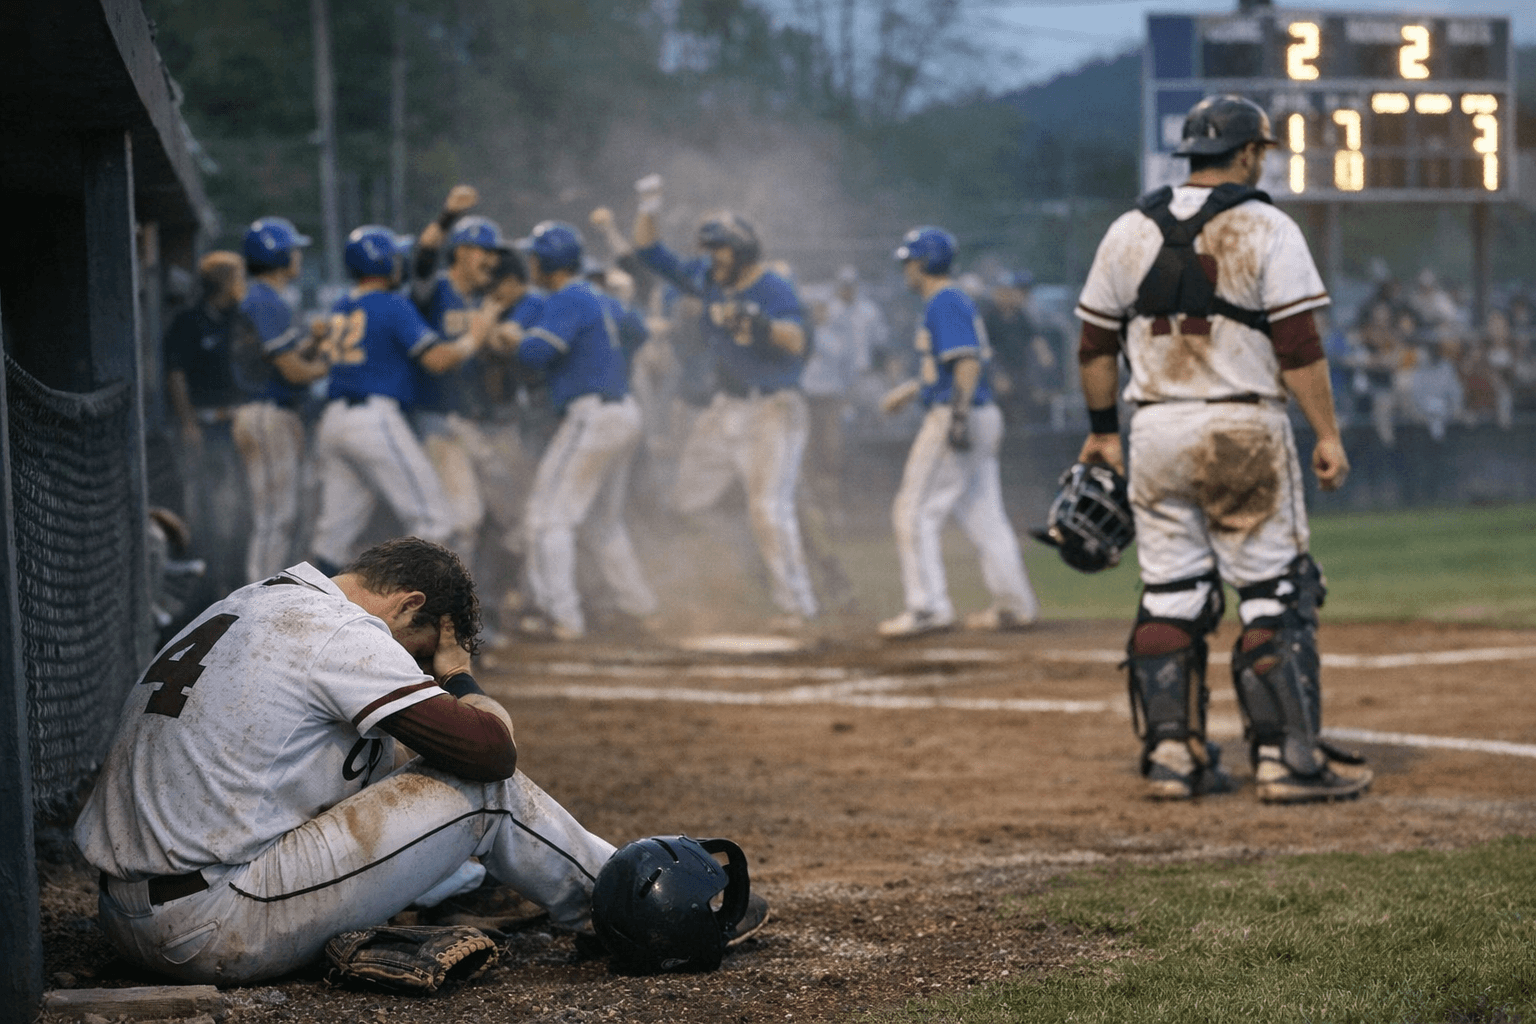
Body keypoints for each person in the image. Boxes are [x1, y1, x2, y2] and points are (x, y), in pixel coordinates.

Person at [73, 537, 616, 984]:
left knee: (377, 765)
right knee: (483, 791)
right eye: (421, 653)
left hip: (126, 918)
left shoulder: (253, 600)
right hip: (211, 926)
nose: (421, 672)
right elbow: (490, 752)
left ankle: (456, 887)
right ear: (408, 604)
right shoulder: (342, 631)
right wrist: (457, 677)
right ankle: (623, 904)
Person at [1072, 94, 1372, 804]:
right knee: (1273, 592)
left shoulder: (1127, 229)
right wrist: (1327, 433)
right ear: (1247, 153)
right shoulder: (1265, 225)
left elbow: (1093, 345)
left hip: (1154, 431)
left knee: (1171, 591)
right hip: (1241, 429)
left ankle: (1174, 755)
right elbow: (1298, 346)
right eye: (1260, 151)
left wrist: (1103, 429)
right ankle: (1285, 761)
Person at [631, 176, 819, 625]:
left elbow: (797, 340)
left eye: (721, 249)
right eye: (710, 249)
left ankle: (798, 603)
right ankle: (738, 568)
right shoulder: (710, 278)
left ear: (743, 249)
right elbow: (649, 253)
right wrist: (649, 205)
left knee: (769, 508)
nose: (712, 258)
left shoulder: (772, 287)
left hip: (775, 407)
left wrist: (764, 326)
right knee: (686, 499)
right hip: (727, 406)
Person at [305, 225, 496, 576]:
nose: (400, 264)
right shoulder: (392, 304)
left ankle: (312, 613)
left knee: (332, 536)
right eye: (395, 257)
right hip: (373, 420)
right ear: (383, 262)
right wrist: (473, 339)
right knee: (434, 522)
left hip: (333, 420)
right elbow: (436, 360)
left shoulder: (342, 303)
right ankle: (423, 620)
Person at [877, 227, 1040, 638]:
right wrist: (912, 389)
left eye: (910, 261)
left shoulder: (945, 299)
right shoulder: (951, 299)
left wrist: (958, 419)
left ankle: (928, 607)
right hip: (977, 411)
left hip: (958, 412)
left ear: (926, 262)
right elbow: (951, 364)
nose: (906, 270)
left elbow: (967, 363)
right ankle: (1014, 605)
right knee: (984, 515)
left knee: (913, 510)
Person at [513, 221, 659, 641]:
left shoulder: (568, 296)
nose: (531, 264)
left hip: (592, 415)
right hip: (623, 409)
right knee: (603, 522)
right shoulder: (599, 295)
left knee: (546, 518)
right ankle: (640, 606)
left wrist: (511, 340)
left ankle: (561, 617)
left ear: (546, 261)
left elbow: (537, 353)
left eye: (534, 257)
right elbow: (639, 330)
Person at [408, 185, 507, 566]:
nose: (492, 262)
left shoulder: (477, 300)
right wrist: (448, 215)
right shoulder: (436, 289)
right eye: (485, 252)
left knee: (485, 516)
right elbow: (423, 257)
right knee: (462, 519)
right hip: (432, 419)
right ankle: (449, 611)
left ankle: (474, 607)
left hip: (462, 421)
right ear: (462, 252)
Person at [235, 216, 332, 583]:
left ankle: (267, 593)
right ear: (279, 255)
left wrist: (315, 344)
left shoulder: (267, 297)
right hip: (266, 412)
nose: (298, 257)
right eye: (294, 250)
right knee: (275, 515)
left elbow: (283, 359)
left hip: (268, 412)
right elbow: (293, 372)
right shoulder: (264, 300)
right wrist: (328, 365)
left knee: (283, 514)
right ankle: (255, 602)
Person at [164, 251, 252, 599]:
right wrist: (188, 423)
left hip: (239, 425)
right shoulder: (189, 321)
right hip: (206, 427)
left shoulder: (240, 320)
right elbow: (176, 374)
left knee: (241, 507)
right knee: (211, 509)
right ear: (225, 282)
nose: (243, 284)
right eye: (239, 277)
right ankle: (210, 586)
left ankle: (237, 577)